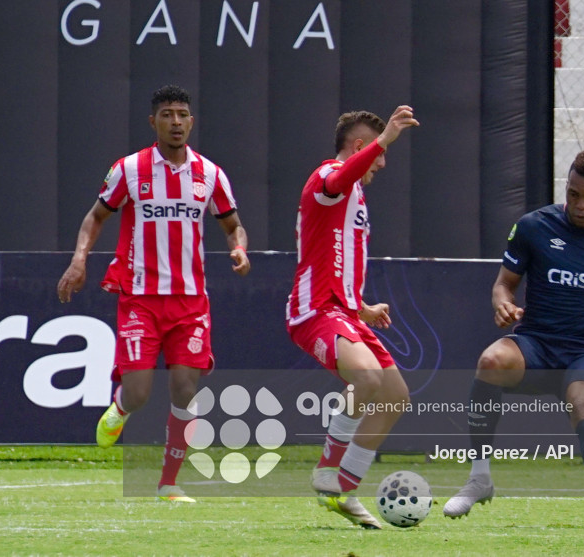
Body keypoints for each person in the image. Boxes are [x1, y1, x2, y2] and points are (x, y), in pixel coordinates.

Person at [57, 84, 250, 502]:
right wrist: (79, 260)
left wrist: (239, 248)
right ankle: (122, 407)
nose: (176, 122)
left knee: (185, 388)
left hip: (190, 302)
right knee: (141, 392)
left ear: (191, 121)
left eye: (182, 114)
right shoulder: (129, 170)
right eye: (167, 115)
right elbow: (96, 216)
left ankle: (169, 483)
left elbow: (232, 223)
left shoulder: (210, 174)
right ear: (154, 122)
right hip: (141, 298)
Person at [443, 151, 584, 530]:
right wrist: (503, 304)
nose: (580, 206)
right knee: (490, 361)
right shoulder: (534, 227)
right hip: (536, 343)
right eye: (573, 195)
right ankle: (480, 478)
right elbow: (504, 284)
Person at [286, 106, 419, 528]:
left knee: (396, 395)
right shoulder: (328, 177)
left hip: (344, 311)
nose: (382, 163)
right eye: (379, 154)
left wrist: (362, 307)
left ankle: (344, 488)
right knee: (366, 377)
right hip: (314, 310)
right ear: (361, 146)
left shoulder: (356, 196)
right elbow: (338, 178)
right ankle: (326, 471)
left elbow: (332, 258)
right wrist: (385, 138)